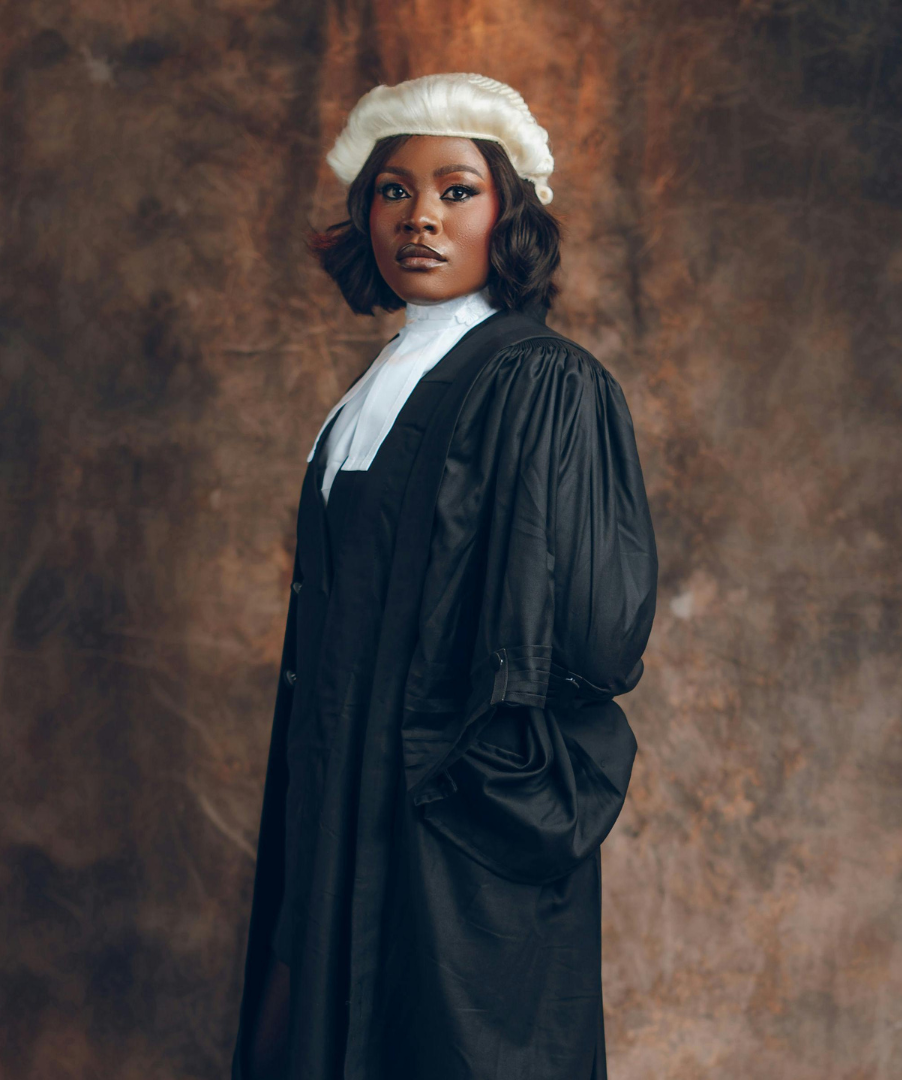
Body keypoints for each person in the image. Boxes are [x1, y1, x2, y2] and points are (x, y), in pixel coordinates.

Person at [230, 72, 659, 1080]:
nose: (420, 215)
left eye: (457, 190)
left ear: (509, 213)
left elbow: (598, 634)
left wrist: (472, 780)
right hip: (339, 808)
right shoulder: (371, 390)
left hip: (452, 828)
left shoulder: (543, 384)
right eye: (393, 190)